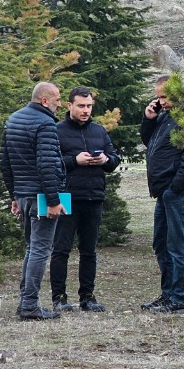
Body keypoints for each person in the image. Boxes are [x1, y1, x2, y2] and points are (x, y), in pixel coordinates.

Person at [0, 82, 67, 320]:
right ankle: (29, 305)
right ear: (44, 101)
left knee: (32, 248)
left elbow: (4, 163)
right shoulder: (45, 123)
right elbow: (47, 165)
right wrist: (53, 200)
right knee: (40, 249)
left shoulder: (13, 120)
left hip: (24, 195)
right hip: (41, 196)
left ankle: (25, 302)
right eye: (57, 98)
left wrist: (14, 196)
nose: (60, 103)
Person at [51, 86, 120, 313]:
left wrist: (105, 160)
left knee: (89, 251)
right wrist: (74, 160)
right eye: (81, 105)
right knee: (61, 249)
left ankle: (87, 297)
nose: (85, 110)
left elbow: (114, 159)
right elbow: (49, 162)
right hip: (66, 197)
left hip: (94, 197)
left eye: (89, 106)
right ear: (70, 105)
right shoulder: (56, 131)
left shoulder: (99, 131)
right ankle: (59, 297)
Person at [140, 75, 184, 314]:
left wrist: (174, 188)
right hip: (164, 192)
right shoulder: (165, 117)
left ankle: (178, 299)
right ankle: (167, 295)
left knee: (177, 247)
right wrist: (149, 120)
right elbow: (150, 143)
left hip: (179, 192)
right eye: (158, 96)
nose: (161, 101)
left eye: (165, 96)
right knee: (161, 245)